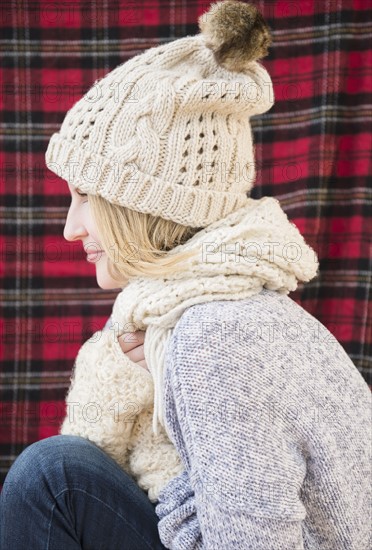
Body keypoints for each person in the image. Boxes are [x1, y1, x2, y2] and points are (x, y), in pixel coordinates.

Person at [1, 1, 371, 549]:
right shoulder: (234, 310)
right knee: (63, 469)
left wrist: (179, 475)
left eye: (85, 197)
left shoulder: (212, 337)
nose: (69, 229)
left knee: (48, 478)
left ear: (145, 204)